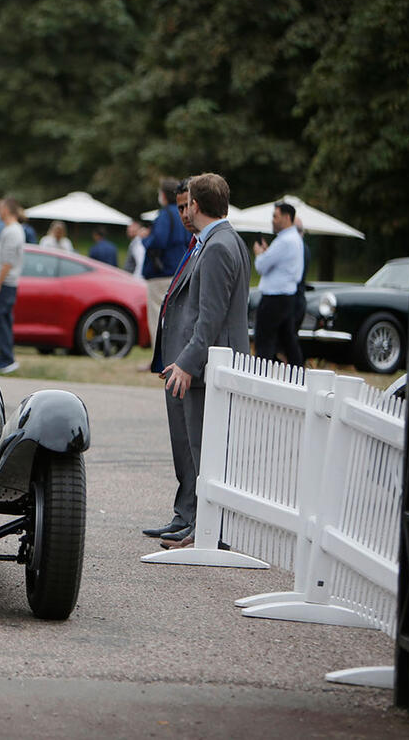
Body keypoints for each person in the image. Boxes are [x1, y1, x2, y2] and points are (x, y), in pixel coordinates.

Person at [146, 172, 250, 547]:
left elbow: (211, 316)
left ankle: (205, 529)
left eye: (187, 204)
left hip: (206, 367)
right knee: (197, 450)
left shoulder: (220, 246)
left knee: (205, 452)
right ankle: (192, 521)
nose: (184, 211)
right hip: (201, 363)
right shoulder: (220, 241)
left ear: (197, 205)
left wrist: (189, 362)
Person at [141, 178, 190, 354]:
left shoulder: (164, 215)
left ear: (163, 194)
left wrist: (146, 238)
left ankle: (159, 356)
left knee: (156, 316)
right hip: (179, 269)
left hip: (161, 271)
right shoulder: (182, 213)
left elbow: (158, 240)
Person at [252, 201, 304, 365]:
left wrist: (259, 254)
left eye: (276, 216)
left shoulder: (284, 240)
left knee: (263, 340)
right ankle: (298, 374)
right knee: (288, 340)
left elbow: (261, 266)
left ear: (286, 217)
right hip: (287, 296)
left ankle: (260, 375)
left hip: (274, 297)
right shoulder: (295, 239)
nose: (272, 220)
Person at [0, 197, 25, 373]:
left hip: (6, 282)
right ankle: (3, 357)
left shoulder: (12, 231)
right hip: (7, 282)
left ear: (7, 210)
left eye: (1, 208)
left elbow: (8, 261)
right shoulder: (11, 230)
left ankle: (7, 359)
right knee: (3, 320)